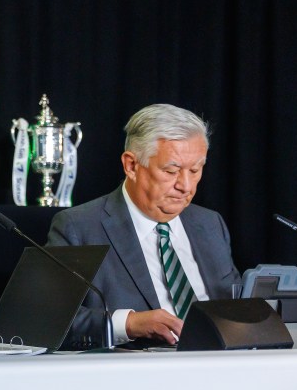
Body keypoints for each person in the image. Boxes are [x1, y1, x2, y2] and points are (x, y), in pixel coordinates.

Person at [47, 103, 240, 348]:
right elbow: (49, 320)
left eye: (195, 170)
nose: (186, 186)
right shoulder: (79, 227)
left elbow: (235, 303)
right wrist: (127, 324)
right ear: (132, 166)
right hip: (136, 374)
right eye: (172, 171)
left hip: (223, 367)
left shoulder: (210, 224)